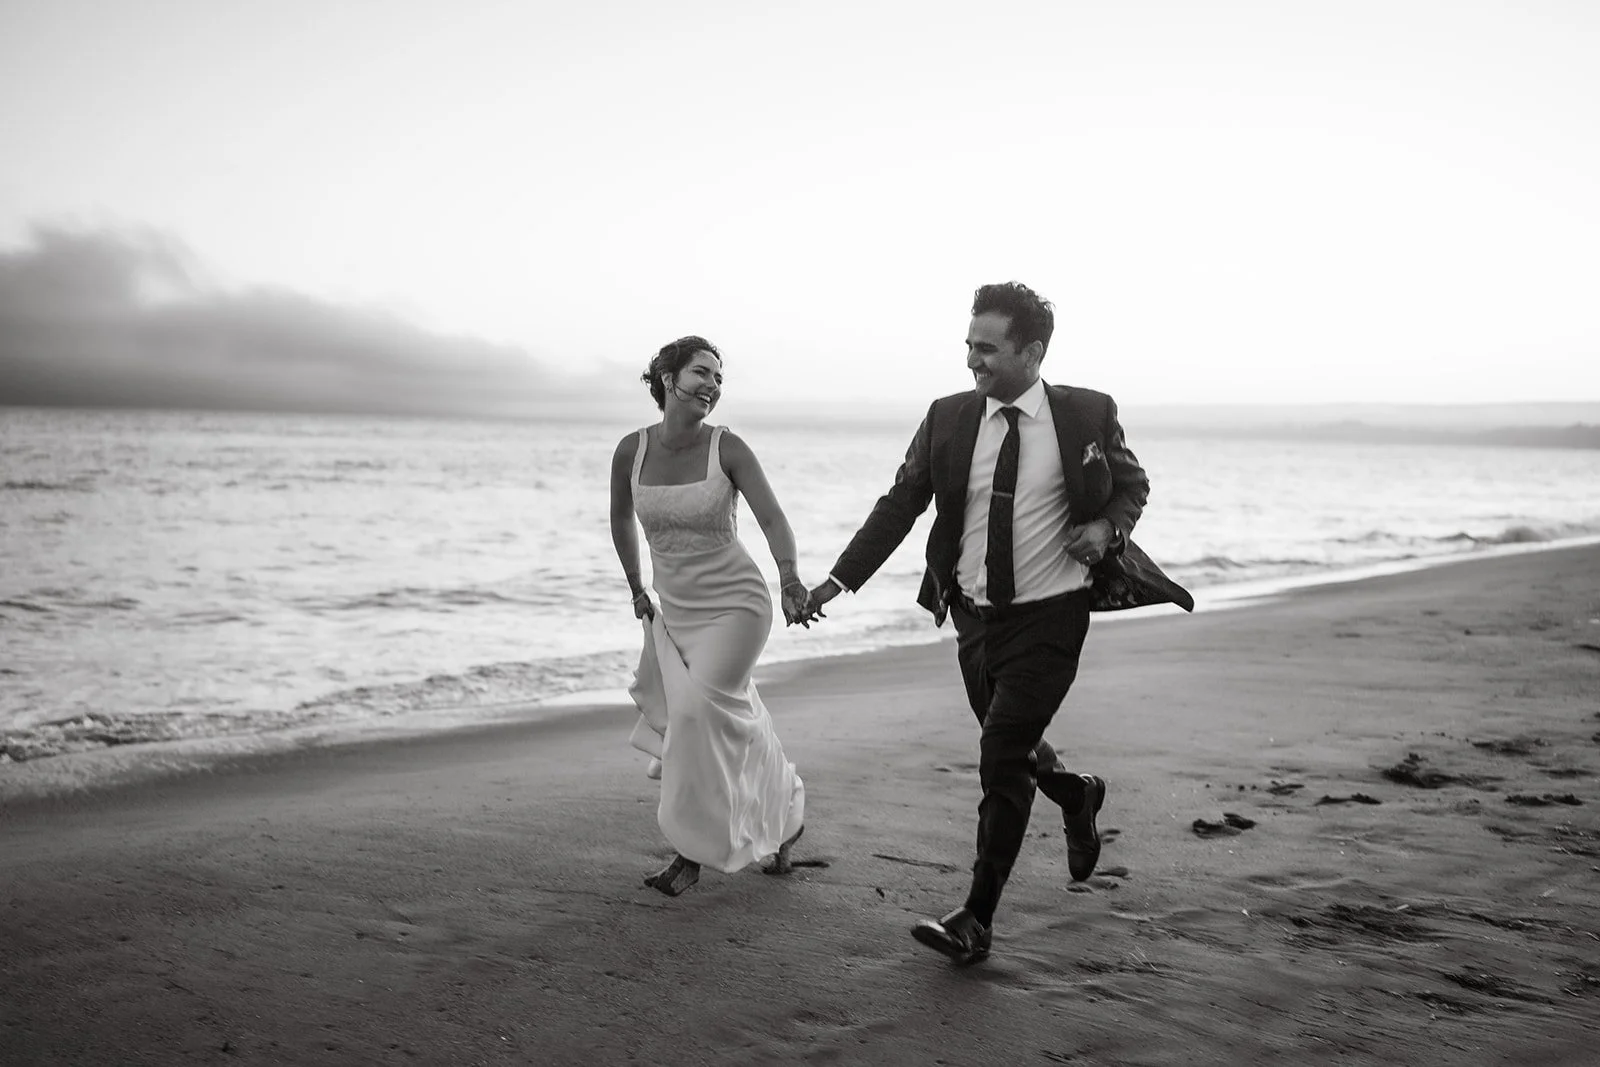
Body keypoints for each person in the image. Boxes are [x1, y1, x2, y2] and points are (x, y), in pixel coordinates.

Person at [806, 282, 1192, 963]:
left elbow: (1133, 486)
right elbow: (900, 505)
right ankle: (1077, 792)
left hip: (1052, 615)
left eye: (986, 348)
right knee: (1009, 741)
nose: (971, 360)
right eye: (968, 345)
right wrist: (837, 581)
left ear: (1032, 350)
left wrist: (1106, 527)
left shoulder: (1086, 415)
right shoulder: (948, 418)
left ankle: (975, 918)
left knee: (1001, 754)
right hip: (974, 619)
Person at [609, 335, 810, 897]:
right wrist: (635, 587)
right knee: (726, 715)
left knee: (696, 711)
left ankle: (688, 851)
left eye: (719, 378)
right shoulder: (632, 450)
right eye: (702, 374)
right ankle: (789, 810)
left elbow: (772, 518)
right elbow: (621, 520)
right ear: (667, 379)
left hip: (738, 605)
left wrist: (790, 578)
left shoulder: (729, 448)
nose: (713, 386)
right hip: (677, 608)